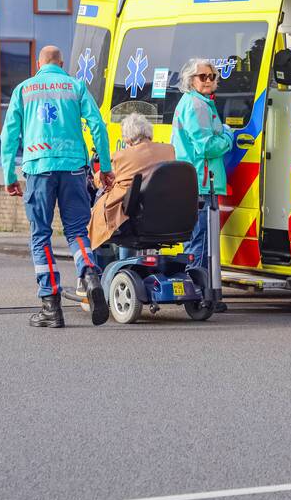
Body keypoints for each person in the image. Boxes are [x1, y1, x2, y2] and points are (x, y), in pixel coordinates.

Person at [1, 45, 115, 328]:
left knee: (40, 235)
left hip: (39, 168)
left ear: (38, 64)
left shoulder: (24, 90)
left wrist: (8, 175)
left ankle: (51, 305)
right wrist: (106, 166)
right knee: (77, 230)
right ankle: (89, 273)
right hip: (73, 167)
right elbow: (97, 125)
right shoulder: (75, 86)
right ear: (62, 63)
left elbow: (9, 134)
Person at [171, 58, 234, 313]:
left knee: (202, 242)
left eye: (212, 75)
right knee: (201, 242)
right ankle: (196, 295)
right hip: (201, 181)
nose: (209, 80)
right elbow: (206, 146)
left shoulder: (201, 102)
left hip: (200, 180)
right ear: (190, 80)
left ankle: (203, 293)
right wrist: (229, 136)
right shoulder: (197, 105)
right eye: (203, 77)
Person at [88, 113, 176, 249]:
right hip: (164, 213)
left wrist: (94, 179)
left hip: (132, 216)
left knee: (113, 218)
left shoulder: (123, 156)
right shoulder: (169, 151)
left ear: (128, 138)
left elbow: (103, 179)